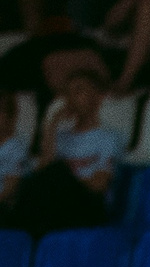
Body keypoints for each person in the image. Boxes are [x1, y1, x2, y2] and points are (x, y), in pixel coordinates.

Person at [2, 65, 119, 236]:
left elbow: (99, 185)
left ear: (98, 97)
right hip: (57, 206)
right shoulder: (61, 136)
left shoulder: (108, 138)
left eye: (79, 91)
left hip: (88, 207)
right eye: (68, 93)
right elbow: (42, 172)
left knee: (57, 172)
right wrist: (52, 125)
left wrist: (66, 176)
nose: (72, 98)